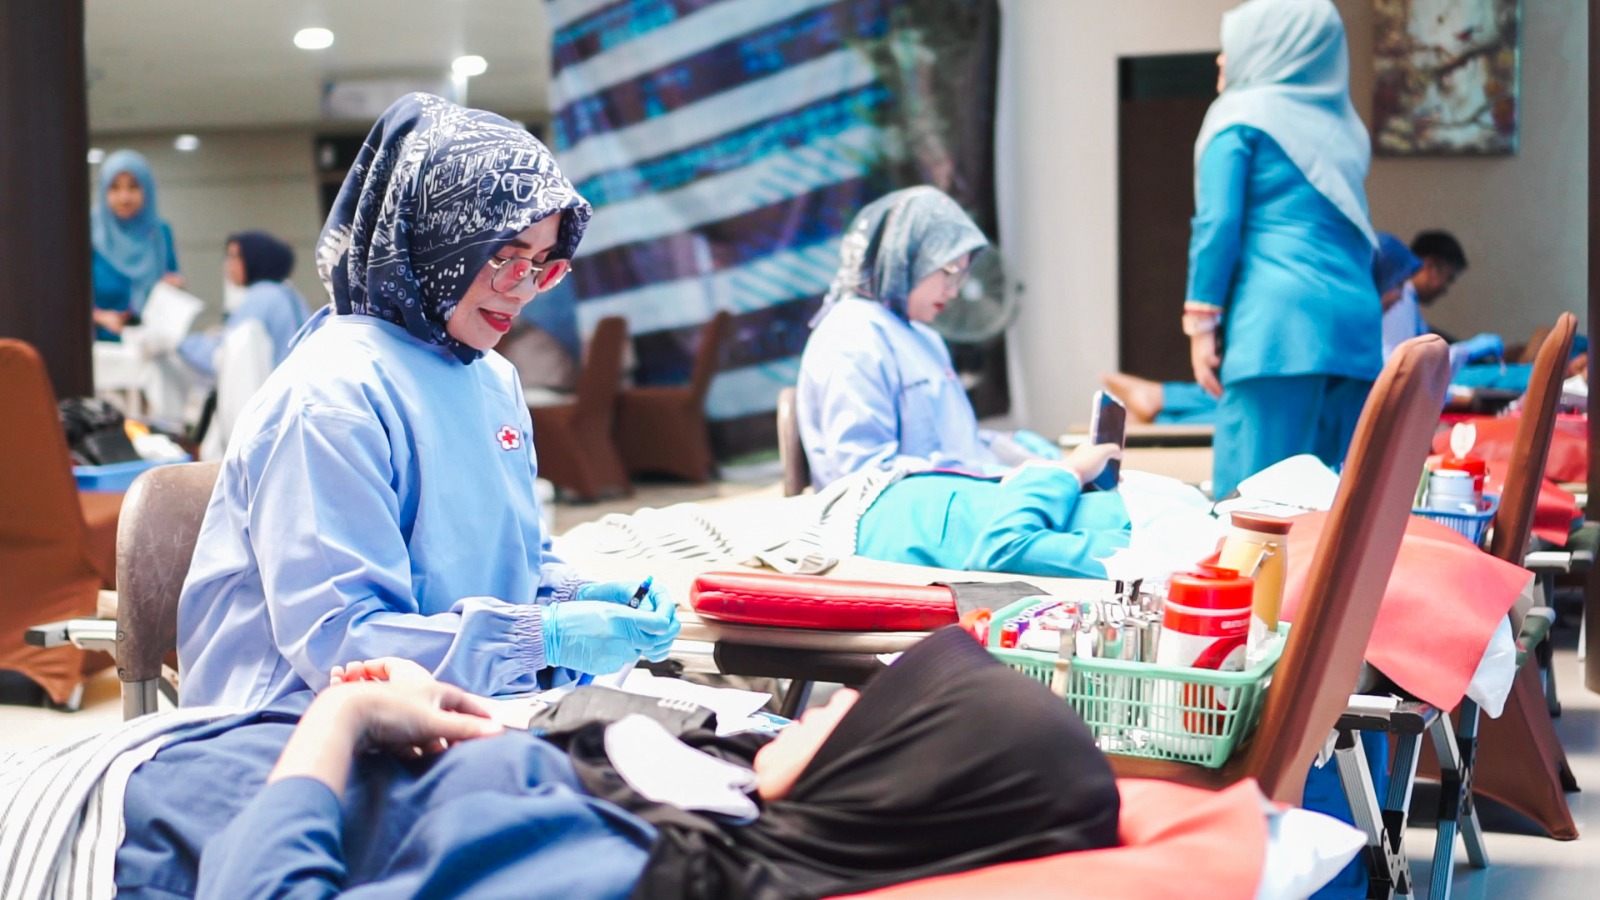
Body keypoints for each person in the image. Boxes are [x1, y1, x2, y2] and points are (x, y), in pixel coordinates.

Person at [177, 93, 679, 710]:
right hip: (293, 721)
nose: (523, 290)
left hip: (458, 699)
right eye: (505, 258)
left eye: (544, 266)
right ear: (435, 238)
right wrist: (537, 639)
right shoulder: (330, 396)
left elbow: (512, 562)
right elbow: (344, 647)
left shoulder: (491, 378)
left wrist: (573, 596)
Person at [116, 628, 1121, 899]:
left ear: (903, 780)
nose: (838, 701)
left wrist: (341, 718)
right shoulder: (743, 817)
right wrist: (457, 716)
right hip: (213, 757)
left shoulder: (614, 875)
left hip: (134, 819)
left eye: (875, 711)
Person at [1184, 0, 1380, 498]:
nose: (1221, 59)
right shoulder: (1345, 128)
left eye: (1231, 47)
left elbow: (1218, 222)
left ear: (1268, 46)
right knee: (1333, 510)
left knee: (1252, 507)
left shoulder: (1238, 115)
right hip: (1354, 329)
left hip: (1278, 329)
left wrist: (1201, 324)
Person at [796, 186, 1059, 491]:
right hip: (905, 514)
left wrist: (1019, 455)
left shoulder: (924, 337)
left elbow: (953, 446)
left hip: (953, 499)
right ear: (903, 255)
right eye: (949, 271)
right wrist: (989, 474)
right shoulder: (851, 336)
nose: (954, 291)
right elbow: (864, 476)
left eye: (961, 276)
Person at [177, 232, 314, 459]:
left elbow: (221, 358)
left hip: (270, 416)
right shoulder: (289, 294)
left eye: (234, 257)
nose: (227, 267)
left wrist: (181, 341)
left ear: (255, 258)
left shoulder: (259, 298)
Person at [91, 150, 183, 342]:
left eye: (133, 187)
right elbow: (68, 296)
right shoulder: (89, 231)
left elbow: (171, 277)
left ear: (147, 189)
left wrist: (175, 286)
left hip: (148, 343)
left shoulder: (159, 233)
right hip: (100, 346)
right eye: (114, 188)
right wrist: (99, 317)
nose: (124, 198)